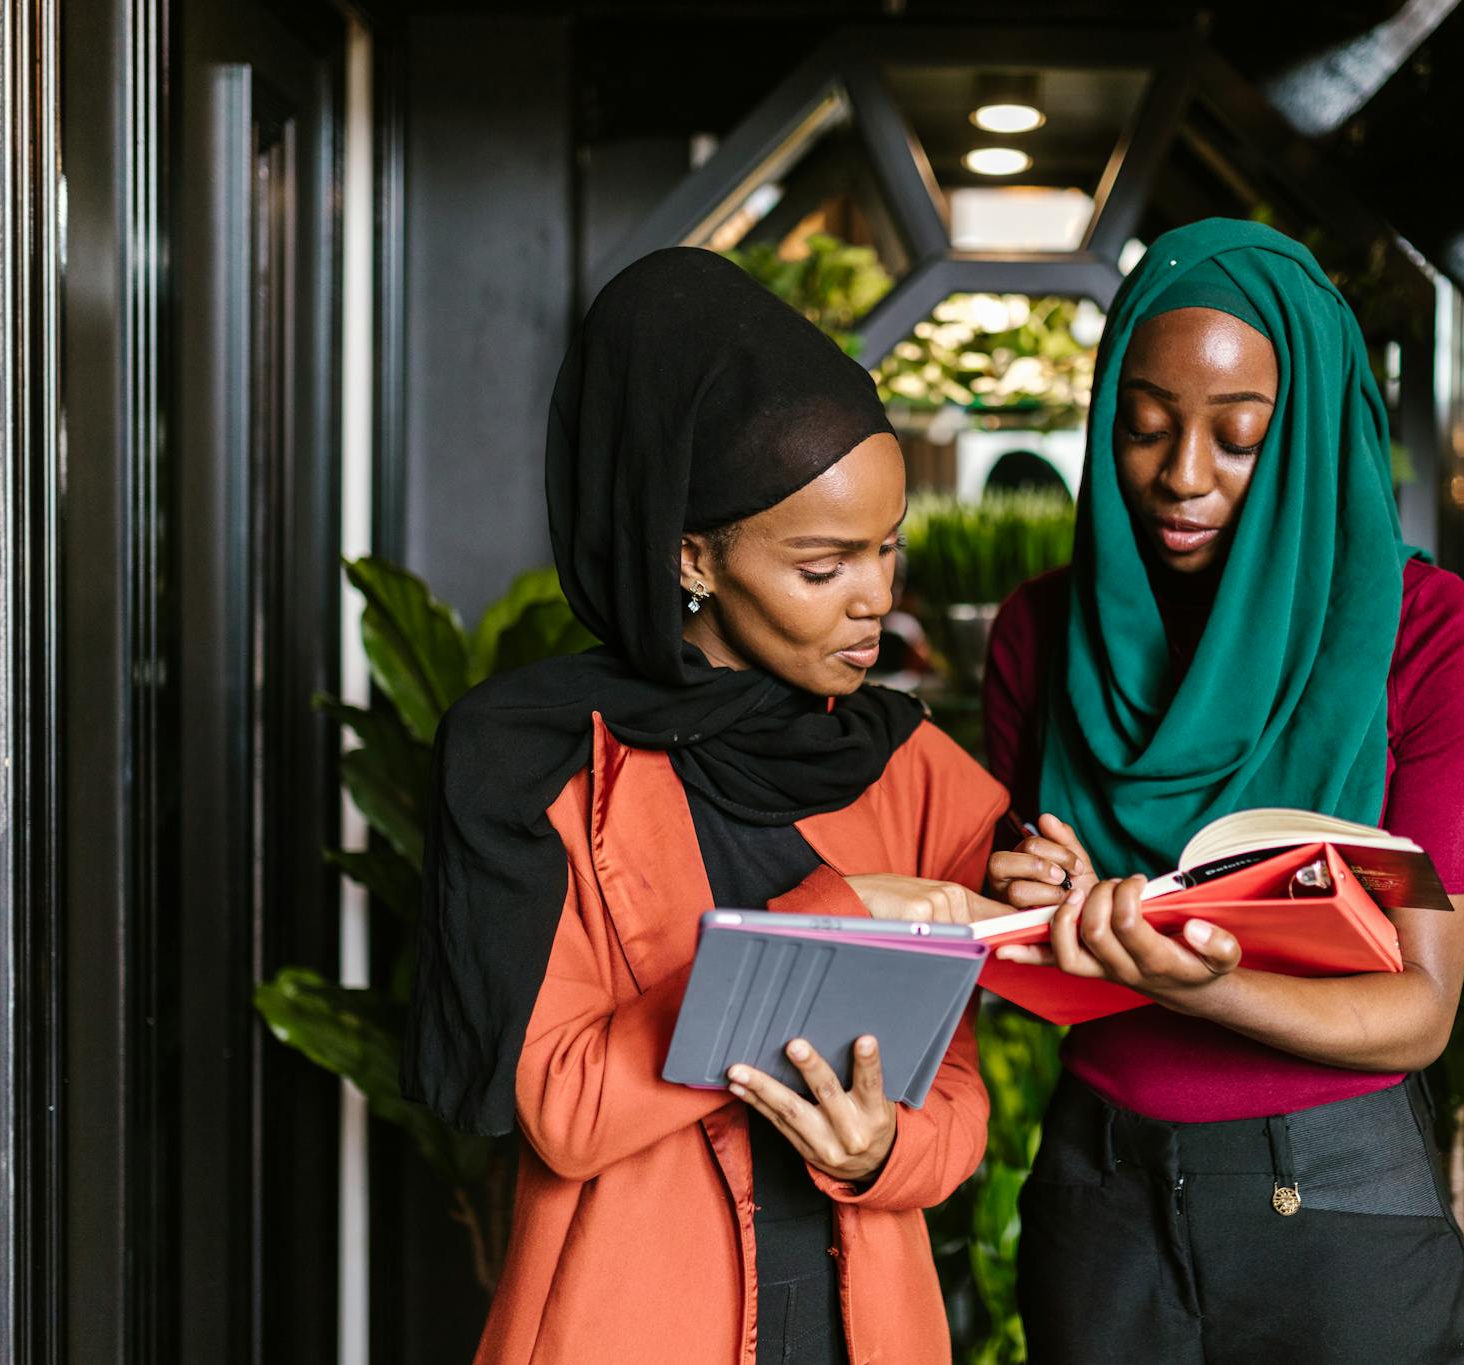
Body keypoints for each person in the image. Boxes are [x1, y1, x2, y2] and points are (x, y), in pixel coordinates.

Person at [402, 247, 1009, 1365]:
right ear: (693, 557)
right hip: (629, 1323)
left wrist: (881, 1152)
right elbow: (567, 1108)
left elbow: (957, 1102)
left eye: (887, 547)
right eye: (823, 567)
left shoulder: (910, 767)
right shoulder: (539, 763)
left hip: (863, 1325)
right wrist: (830, 918)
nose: (876, 597)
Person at [981, 218, 1464, 1364]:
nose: (1180, 477)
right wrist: (1017, 904)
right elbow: (1013, 961)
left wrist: (1191, 983)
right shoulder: (1039, 632)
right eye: (1143, 428)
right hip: (1098, 1201)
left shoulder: (1426, 637)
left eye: (1239, 440)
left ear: (1309, 428)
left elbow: (1416, 1011)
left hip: (1335, 1215)